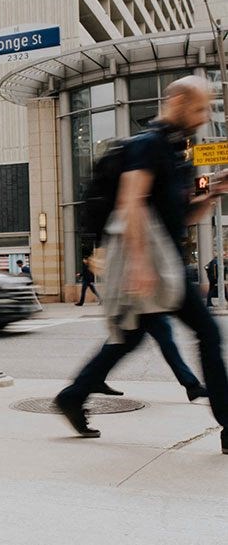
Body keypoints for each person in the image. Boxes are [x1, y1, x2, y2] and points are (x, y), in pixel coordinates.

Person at [54, 76, 228, 455]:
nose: (203, 117)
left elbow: (184, 218)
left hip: (165, 263)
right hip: (155, 266)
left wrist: (212, 194)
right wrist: (138, 265)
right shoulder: (149, 146)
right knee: (208, 333)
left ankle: (73, 396)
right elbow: (130, 202)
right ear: (178, 101)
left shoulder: (176, 153)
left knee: (128, 338)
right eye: (199, 108)